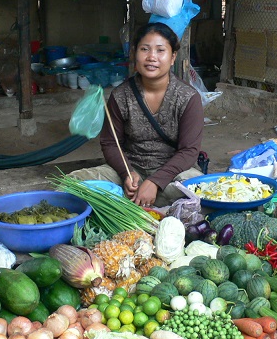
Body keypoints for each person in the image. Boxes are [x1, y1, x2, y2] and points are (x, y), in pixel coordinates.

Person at [70, 23, 204, 207]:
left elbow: (189, 151)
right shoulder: (121, 95)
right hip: (130, 171)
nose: (151, 57)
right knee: (73, 184)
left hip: (174, 174)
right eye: (144, 49)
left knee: (198, 192)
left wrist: (155, 182)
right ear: (134, 54)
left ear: (173, 57)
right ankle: (134, 201)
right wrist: (127, 174)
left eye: (160, 50)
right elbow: (110, 142)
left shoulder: (188, 98)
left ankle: (128, 204)